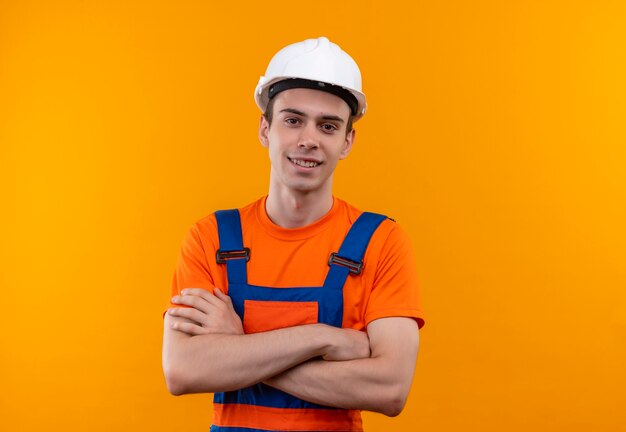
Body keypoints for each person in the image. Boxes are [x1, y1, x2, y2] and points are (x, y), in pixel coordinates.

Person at [162, 36, 424, 432]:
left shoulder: (381, 242)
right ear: (265, 129)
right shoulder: (210, 239)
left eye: (328, 125)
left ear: (347, 141)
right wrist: (322, 338)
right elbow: (182, 370)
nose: (309, 139)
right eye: (292, 119)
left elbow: (389, 389)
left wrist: (239, 344)